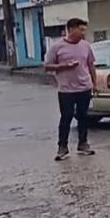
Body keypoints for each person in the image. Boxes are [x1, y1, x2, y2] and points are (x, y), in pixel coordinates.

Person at [44, 18, 98, 161]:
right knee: (66, 118)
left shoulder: (86, 46)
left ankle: (83, 144)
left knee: (83, 117)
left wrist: (95, 83)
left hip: (84, 87)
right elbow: (47, 66)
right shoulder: (57, 47)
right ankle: (62, 147)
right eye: (81, 29)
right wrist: (64, 66)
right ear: (71, 29)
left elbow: (91, 65)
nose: (83, 32)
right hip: (66, 90)